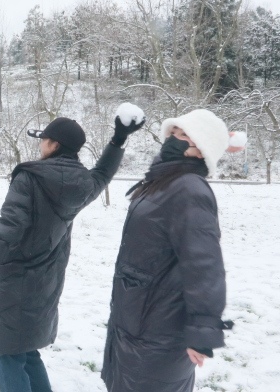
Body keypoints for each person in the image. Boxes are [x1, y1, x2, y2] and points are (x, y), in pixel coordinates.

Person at [0, 104, 146, 392]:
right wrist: (118, 140)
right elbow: (103, 173)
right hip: (47, 278)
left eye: (44, 140)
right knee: (27, 348)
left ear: (54, 144)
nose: (41, 145)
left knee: (9, 353)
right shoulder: (83, 184)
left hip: (16, 277)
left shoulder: (30, 177)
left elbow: (9, 226)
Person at [101, 109, 241, 392]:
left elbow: (204, 263)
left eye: (184, 135)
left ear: (201, 151)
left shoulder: (189, 189)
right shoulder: (161, 182)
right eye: (173, 133)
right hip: (135, 319)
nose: (174, 139)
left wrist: (202, 330)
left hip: (160, 328)